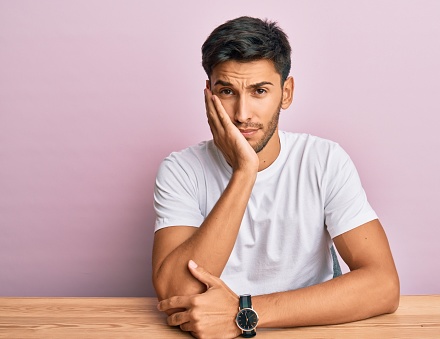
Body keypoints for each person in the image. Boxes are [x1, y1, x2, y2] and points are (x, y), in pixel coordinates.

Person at [152, 16, 399, 338]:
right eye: (226, 91)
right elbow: (175, 293)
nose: (242, 114)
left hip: (309, 328)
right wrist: (244, 172)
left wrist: (244, 312)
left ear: (286, 93)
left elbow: (384, 286)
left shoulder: (324, 160)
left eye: (259, 91)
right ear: (208, 95)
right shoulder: (181, 169)